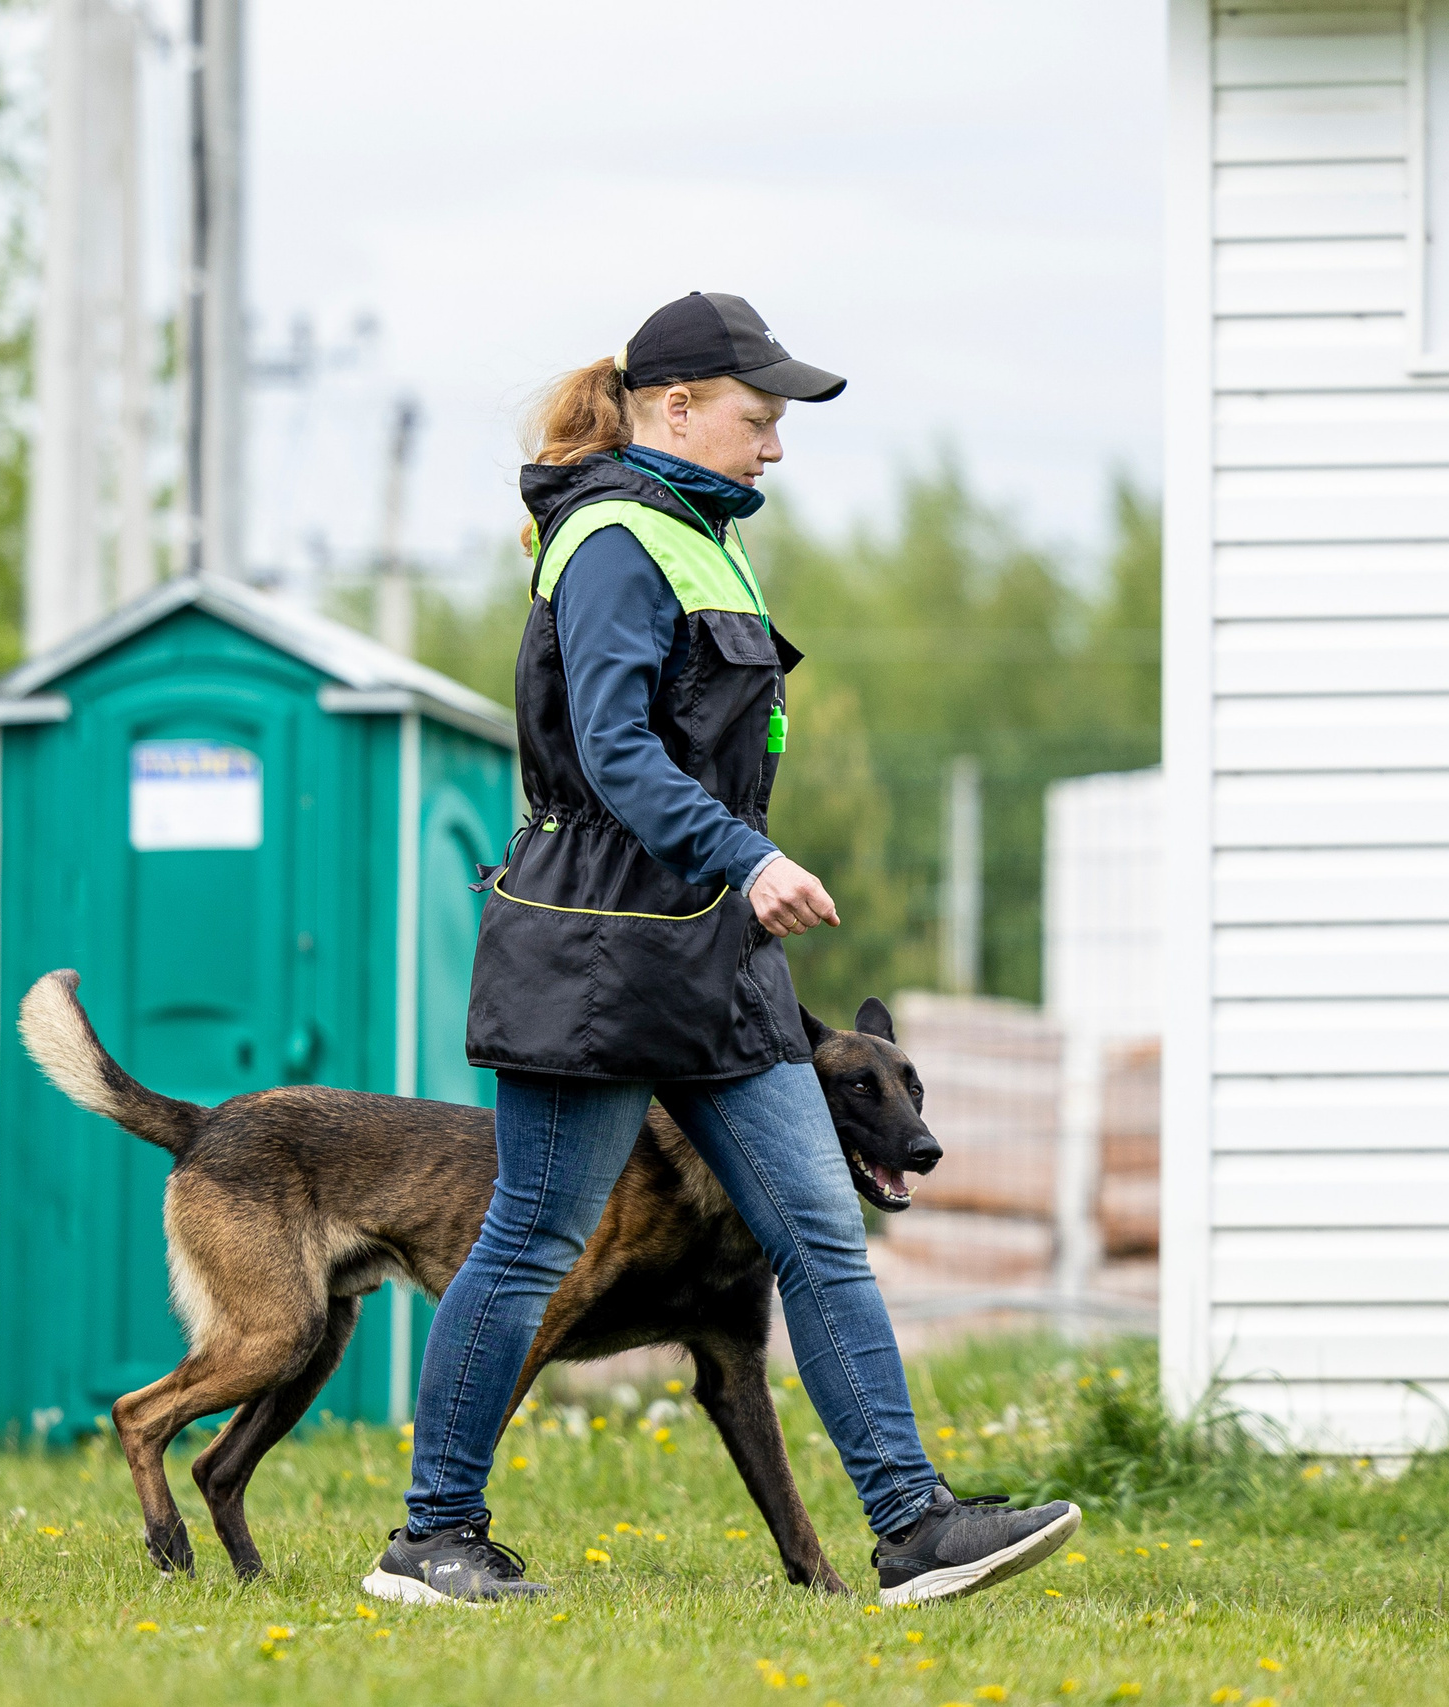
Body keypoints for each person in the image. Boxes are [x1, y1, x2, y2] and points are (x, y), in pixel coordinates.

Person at [364, 292, 1080, 1607]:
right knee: (530, 1242)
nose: (779, 447)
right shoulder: (611, 540)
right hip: (603, 936)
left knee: (821, 1232)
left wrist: (740, 871)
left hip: (715, 950)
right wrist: (749, 856)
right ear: (676, 408)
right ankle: (433, 1537)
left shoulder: (702, 539)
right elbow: (618, 747)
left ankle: (912, 1526)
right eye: (761, 419)